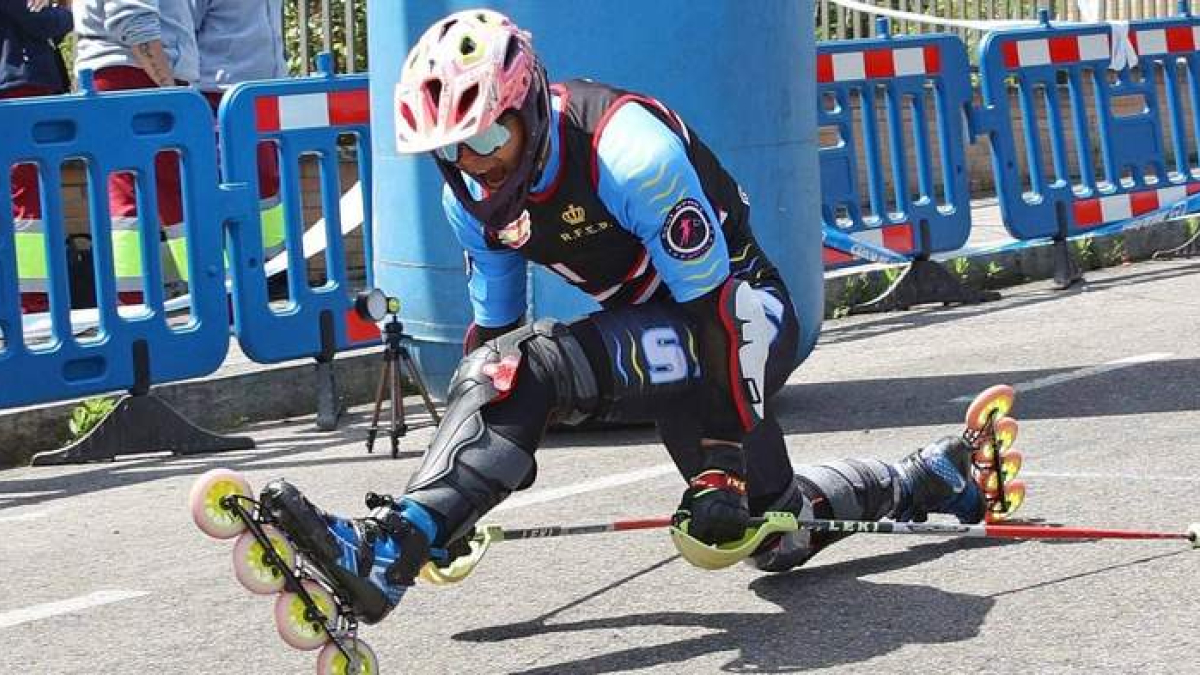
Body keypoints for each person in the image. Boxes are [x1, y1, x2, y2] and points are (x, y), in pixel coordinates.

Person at [256, 9, 995, 625]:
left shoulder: (629, 149)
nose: (476, 166)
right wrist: (455, 494)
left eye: (485, 140)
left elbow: (718, 314)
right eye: (452, 151)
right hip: (660, 336)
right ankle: (927, 476)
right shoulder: (471, 200)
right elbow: (491, 345)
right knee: (778, 534)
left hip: (742, 317)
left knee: (550, 369)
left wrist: (719, 465)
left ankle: (390, 548)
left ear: (528, 104)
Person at [74, 0, 198, 302]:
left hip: (116, 73)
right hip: (136, 73)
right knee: (175, 190)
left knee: (126, 190)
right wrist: (169, 88)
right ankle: (212, 293)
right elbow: (132, 19)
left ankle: (133, 301)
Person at [191, 0, 288, 295]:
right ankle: (228, 283)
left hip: (263, 92)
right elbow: (184, 30)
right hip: (219, 95)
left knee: (267, 187)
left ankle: (275, 272)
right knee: (227, 190)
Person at [1, 0, 73, 313]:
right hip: (22, 85)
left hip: (16, 84)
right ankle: (33, 300)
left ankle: (29, 296)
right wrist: (66, 12)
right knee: (30, 193)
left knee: (23, 192)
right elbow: (42, 23)